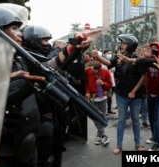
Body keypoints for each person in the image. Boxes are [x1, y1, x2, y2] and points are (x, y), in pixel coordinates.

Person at [22, 24, 100, 166]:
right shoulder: (23, 57)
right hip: (37, 116)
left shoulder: (48, 54)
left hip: (56, 114)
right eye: (44, 41)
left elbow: (61, 63)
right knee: (42, 157)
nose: (47, 44)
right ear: (33, 41)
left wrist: (77, 46)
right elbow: (48, 64)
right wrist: (62, 48)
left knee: (56, 152)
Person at [0, 4, 44, 167]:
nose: (20, 34)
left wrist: (72, 49)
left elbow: (48, 68)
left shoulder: (19, 60)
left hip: (23, 143)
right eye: (14, 28)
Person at [91, 34, 148, 155]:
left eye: (125, 43)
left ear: (131, 45)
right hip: (121, 95)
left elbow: (144, 77)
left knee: (135, 121)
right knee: (121, 120)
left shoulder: (137, 59)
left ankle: (138, 144)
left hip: (136, 96)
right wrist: (98, 57)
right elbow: (108, 63)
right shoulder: (118, 58)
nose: (122, 46)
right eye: (121, 43)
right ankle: (119, 145)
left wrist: (133, 91)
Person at [85, 57, 112, 146]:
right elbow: (85, 83)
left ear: (101, 61)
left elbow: (110, 85)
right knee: (95, 117)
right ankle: (104, 135)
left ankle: (98, 136)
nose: (96, 62)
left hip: (103, 97)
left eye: (98, 60)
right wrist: (87, 92)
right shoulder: (88, 71)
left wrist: (103, 83)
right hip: (92, 97)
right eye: (94, 60)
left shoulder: (106, 71)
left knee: (102, 117)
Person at [103, 49, 116, 115]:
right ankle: (104, 111)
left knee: (110, 96)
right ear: (104, 54)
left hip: (112, 83)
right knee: (105, 97)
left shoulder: (112, 62)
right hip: (106, 83)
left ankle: (109, 109)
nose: (109, 55)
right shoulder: (103, 63)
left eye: (110, 53)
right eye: (108, 53)